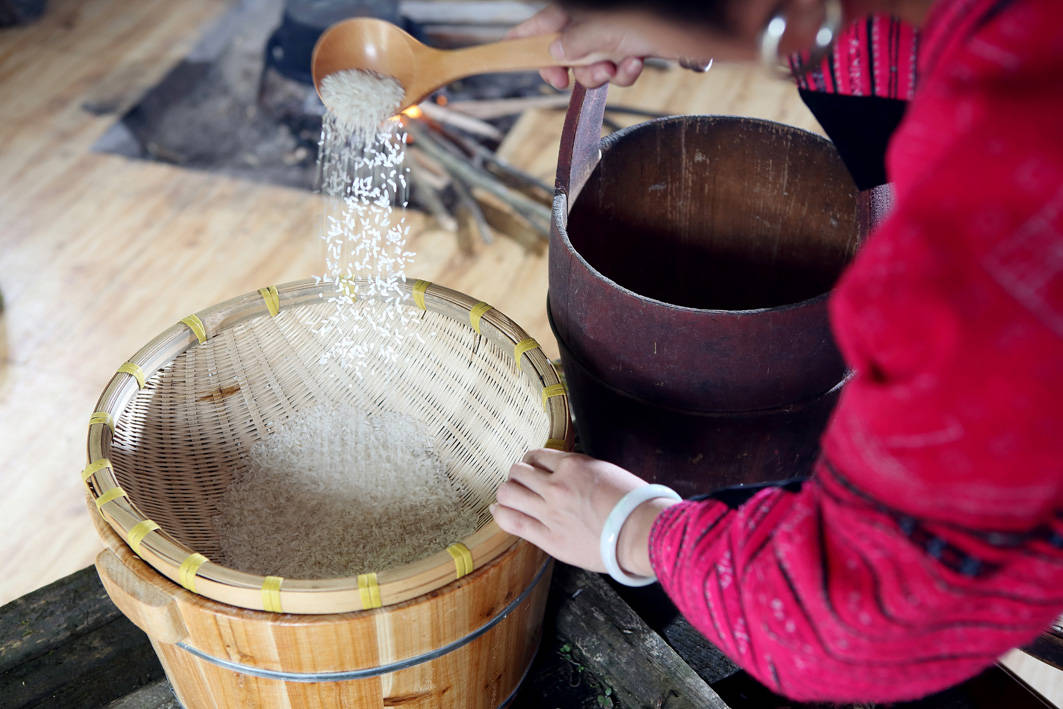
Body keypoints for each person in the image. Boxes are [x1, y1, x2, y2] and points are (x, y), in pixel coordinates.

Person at [490, 0, 1063, 701]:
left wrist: (630, 528)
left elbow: (853, 623)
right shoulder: (1011, 33)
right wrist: (708, 22)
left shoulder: (999, 220)